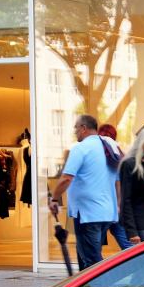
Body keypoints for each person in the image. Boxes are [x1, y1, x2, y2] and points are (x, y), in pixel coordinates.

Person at [49, 115, 123, 271]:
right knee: (85, 258)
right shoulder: (108, 146)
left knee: (92, 262)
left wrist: (54, 199)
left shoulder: (80, 148)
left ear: (83, 128)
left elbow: (66, 179)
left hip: (88, 214)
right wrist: (118, 204)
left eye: (76, 128)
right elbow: (118, 181)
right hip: (107, 212)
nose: (75, 132)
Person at [97, 123, 135, 251]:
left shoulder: (104, 156)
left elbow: (118, 183)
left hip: (106, 208)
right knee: (128, 246)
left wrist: (118, 205)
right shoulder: (118, 154)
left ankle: (98, 271)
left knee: (95, 248)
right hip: (117, 208)